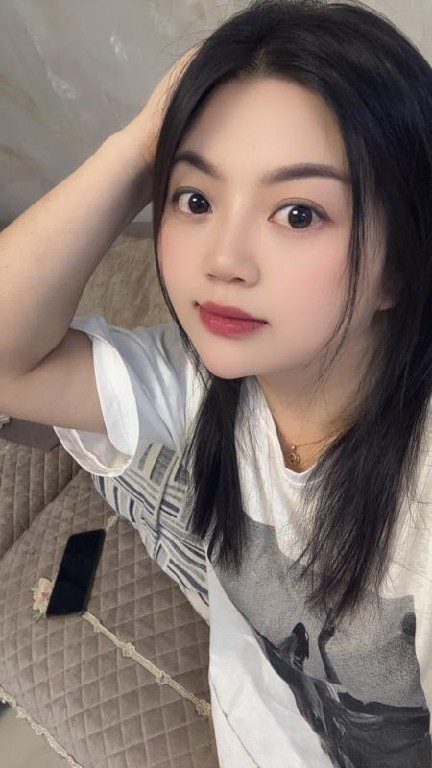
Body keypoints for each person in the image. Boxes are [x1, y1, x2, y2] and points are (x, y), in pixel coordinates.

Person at [0, 0, 431, 764]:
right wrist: (140, 145)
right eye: (195, 198)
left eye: (298, 213)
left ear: (401, 264)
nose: (222, 259)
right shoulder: (202, 384)